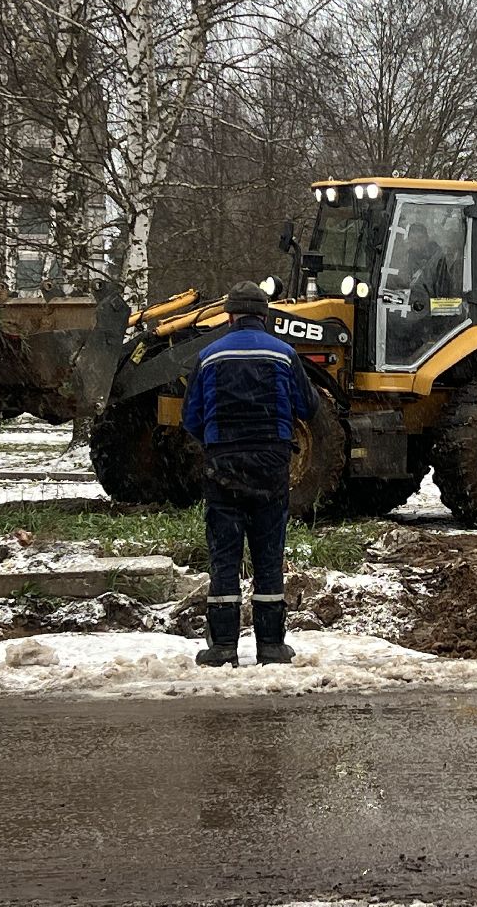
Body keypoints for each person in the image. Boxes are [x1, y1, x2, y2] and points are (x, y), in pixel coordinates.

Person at [181, 280, 317, 667]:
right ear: (264, 316)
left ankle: (223, 647)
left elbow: (190, 418)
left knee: (225, 558)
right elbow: (308, 408)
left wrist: (219, 444)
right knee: (268, 557)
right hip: (271, 468)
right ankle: (271, 646)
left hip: (223, 468)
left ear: (229, 317)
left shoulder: (208, 356)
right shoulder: (284, 354)